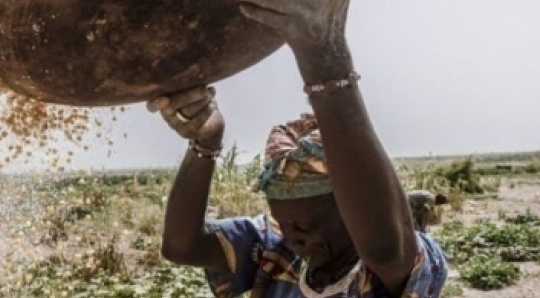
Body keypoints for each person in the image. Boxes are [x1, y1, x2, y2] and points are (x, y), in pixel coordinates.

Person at [146, 0, 448, 297]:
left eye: (304, 225)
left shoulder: (388, 270)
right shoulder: (274, 249)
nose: (293, 239)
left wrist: (326, 59)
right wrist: (205, 145)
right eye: (286, 223)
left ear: (347, 208)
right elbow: (182, 246)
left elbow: (384, 248)